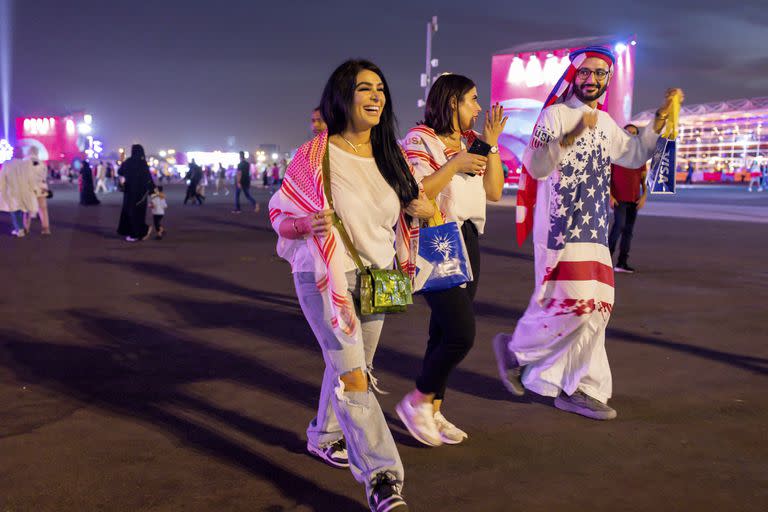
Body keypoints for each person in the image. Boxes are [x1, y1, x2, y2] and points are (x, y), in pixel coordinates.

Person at [268, 59, 433, 512]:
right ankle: (383, 478)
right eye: (365, 88)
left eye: (381, 88)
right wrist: (305, 222)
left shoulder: (391, 156)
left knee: (349, 367)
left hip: (377, 278)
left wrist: (421, 211)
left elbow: (416, 209)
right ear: (343, 96)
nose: (377, 96)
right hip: (325, 278)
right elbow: (279, 217)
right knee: (355, 377)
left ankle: (324, 435)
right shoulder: (314, 155)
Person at [493, 46, 681, 421]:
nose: (592, 79)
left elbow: (631, 154)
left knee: (598, 309)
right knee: (575, 302)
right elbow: (535, 164)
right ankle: (517, 350)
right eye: (586, 73)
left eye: (599, 74)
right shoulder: (553, 115)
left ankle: (582, 387)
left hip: (595, 226)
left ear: (606, 80)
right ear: (574, 76)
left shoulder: (607, 122)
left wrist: (660, 121)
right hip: (562, 227)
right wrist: (570, 134)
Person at [397, 74, 506, 447]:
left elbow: (493, 192)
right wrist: (456, 163)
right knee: (461, 333)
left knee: (442, 332)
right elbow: (415, 189)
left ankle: (434, 409)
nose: (479, 107)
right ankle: (419, 400)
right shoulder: (419, 139)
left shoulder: (472, 143)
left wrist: (490, 145)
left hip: (470, 239)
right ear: (451, 102)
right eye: (472, 100)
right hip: (436, 238)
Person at [608, 124, 648, 273]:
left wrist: (644, 196)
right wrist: (610, 196)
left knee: (628, 232)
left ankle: (622, 263)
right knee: (618, 228)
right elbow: (606, 177)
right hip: (619, 198)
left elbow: (643, 180)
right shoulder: (615, 154)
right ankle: (605, 262)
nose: (630, 134)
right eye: (627, 132)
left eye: (633, 133)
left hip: (634, 199)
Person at [117, 144, 156, 242]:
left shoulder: (128, 162)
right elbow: (148, 179)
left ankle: (134, 233)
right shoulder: (143, 163)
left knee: (129, 212)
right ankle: (141, 231)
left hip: (129, 192)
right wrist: (153, 191)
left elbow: (120, 172)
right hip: (141, 194)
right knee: (138, 214)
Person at [0, 146, 39, 237]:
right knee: (21, 209)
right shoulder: (26, 164)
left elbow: (2, 178)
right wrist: (35, 188)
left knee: (14, 210)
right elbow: (31, 178)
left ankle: (19, 229)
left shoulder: (7, 164)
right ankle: (20, 228)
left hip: (12, 191)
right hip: (24, 191)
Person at [23, 146, 52, 235]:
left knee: (27, 208)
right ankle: (45, 228)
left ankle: (25, 228)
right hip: (41, 187)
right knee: (42, 208)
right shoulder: (41, 163)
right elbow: (45, 175)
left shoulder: (24, 162)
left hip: (29, 187)